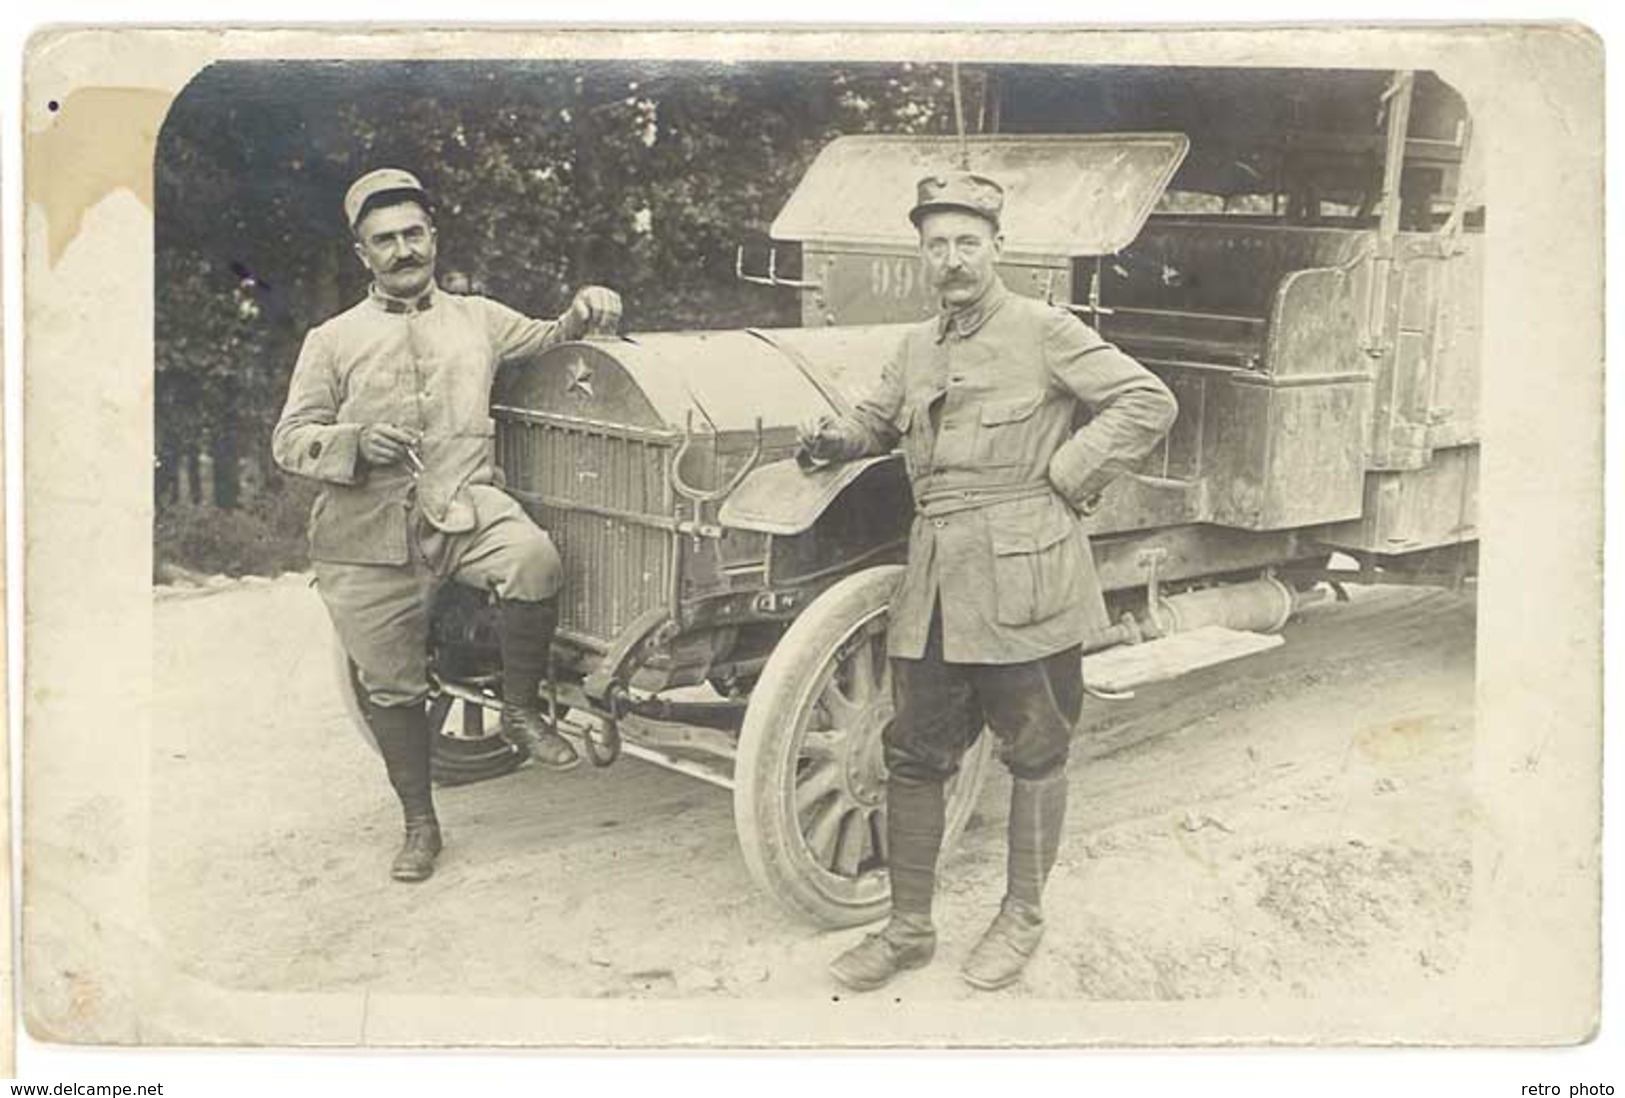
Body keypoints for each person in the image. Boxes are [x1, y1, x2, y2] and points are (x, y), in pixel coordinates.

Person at [799, 170, 1177, 991]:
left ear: (997, 248)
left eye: (967, 242)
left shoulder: (1045, 329)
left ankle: (1022, 917)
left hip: (1025, 577)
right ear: (922, 256)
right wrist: (834, 438)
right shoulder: (915, 345)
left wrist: (1068, 473)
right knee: (912, 752)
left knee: (1035, 750)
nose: (952, 259)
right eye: (936, 245)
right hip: (934, 582)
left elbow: (1147, 402)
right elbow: (877, 417)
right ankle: (907, 931)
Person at [273, 168, 622, 883]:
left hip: (464, 504)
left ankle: (521, 712)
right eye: (384, 241)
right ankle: (419, 824)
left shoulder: (479, 317)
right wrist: (351, 442)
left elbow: (552, 340)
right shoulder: (332, 340)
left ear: (432, 237)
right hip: (365, 527)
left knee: (533, 560)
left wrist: (585, 311)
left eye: (412, 234)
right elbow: (290, 438)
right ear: (361, 254)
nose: (403, 251)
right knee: (394, 685)